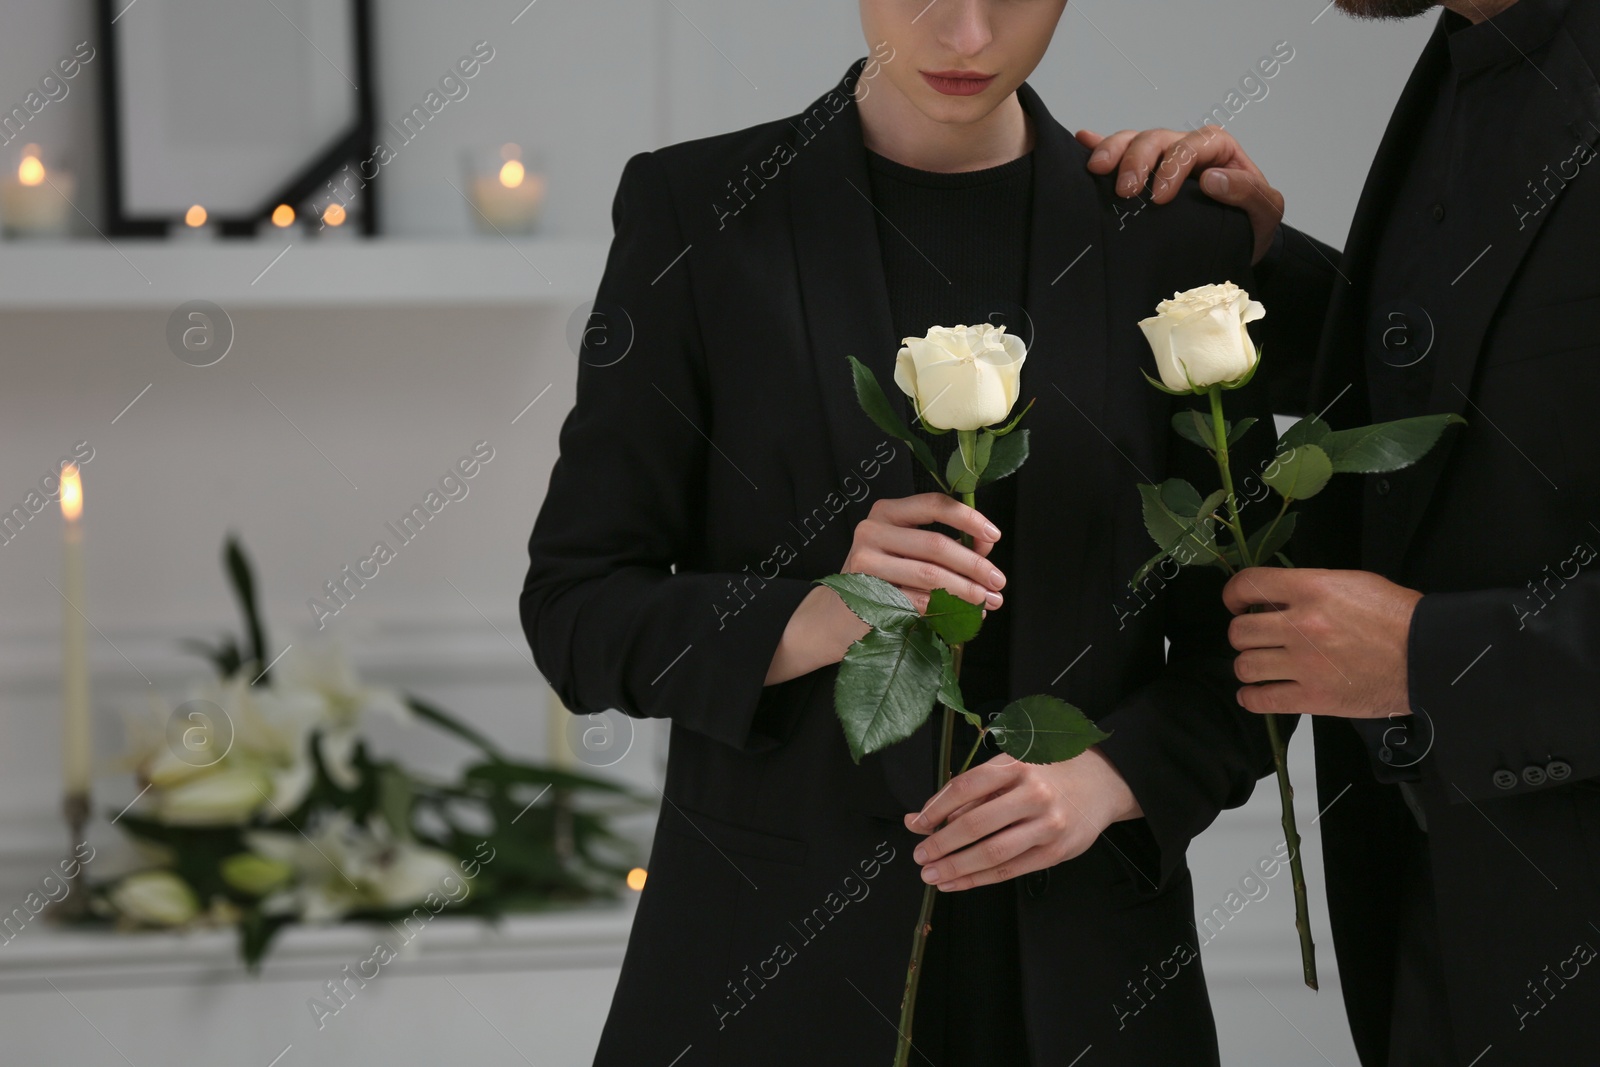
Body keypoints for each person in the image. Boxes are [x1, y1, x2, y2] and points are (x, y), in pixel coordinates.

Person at [520, 2, 1287, 1062]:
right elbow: (574, 610)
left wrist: (1107, 779)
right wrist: (815, 615)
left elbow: (1258, 635)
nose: (966, 36)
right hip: (763, 983)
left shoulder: (1171, 238)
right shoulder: (698, 212)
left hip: (1087, 985)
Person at [1087, 0, 1600, 1062]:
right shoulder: (1465, 54)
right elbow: (1490, 393)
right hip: (1439, 937)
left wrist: (1430, 661)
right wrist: (1252, 271)